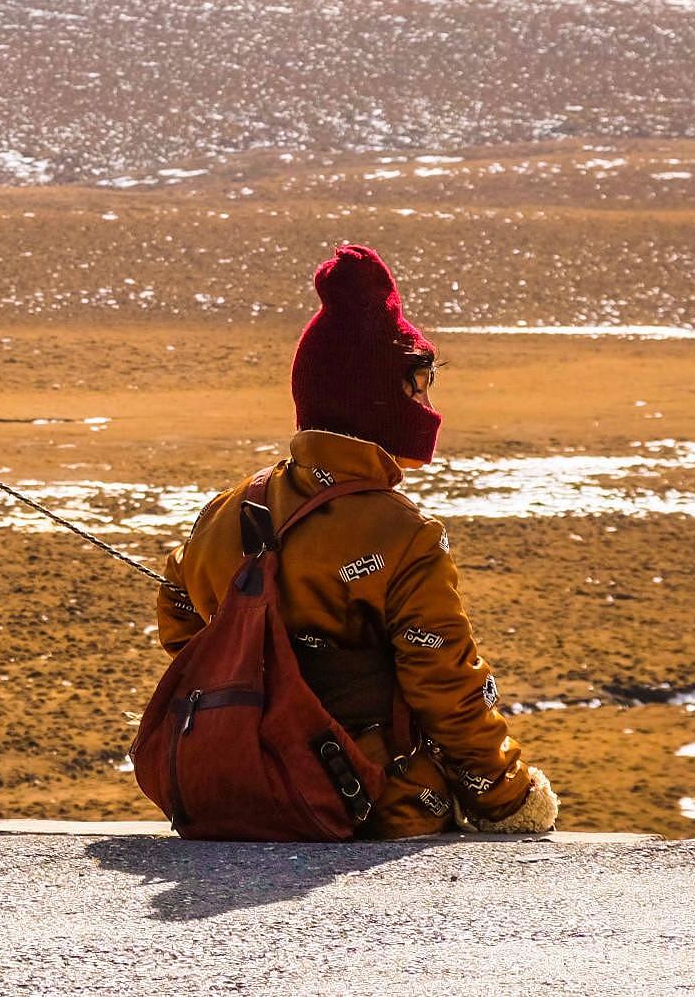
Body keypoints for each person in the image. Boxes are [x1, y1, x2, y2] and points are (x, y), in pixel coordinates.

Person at [154, 243, 559, 836]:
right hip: (373, 809)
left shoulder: (229, 510)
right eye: (416, 386)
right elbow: (447, 688)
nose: (428, 404)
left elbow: (181, 617)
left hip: (241, 796)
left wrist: (262, 709)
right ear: (370, 397)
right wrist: (509, 798)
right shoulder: (402, 534)